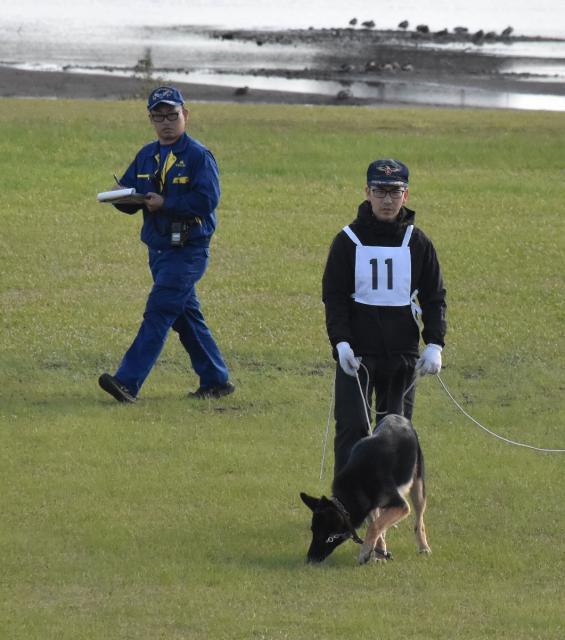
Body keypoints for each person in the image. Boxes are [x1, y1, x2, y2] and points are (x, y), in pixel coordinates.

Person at [98, 86, 234, 403]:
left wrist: (166, 203)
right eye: (158, 116)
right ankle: (216, 380)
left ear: (185, 115)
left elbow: (207, 201)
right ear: (150, 119)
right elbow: (132, 196)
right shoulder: (147, 155)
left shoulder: (199, 156)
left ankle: (127, 382)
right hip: (158, 248)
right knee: (186, 317)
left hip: (188, 250)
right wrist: (120, 197)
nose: (166, 123)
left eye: (172, 115)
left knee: (158, 312)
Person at [322, 159, 446, 475]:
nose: (387, 200)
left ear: (406, 195)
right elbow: (334, 298)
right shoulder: (347, 241)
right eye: (380, 191)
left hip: (401, 355)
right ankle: (346, 508)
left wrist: (434, 343)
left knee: (394, 434)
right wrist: (342, 344)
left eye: (395, 192)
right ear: (367, 192)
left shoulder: (418, 242)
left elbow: (434, 296)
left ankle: (384, 510)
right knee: (351, 429)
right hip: (358, 354)